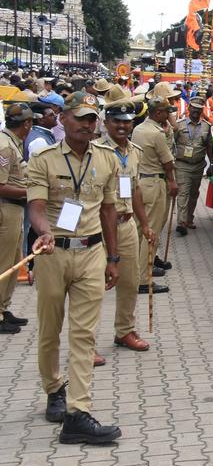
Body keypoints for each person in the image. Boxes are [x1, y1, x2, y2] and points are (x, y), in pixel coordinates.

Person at [28, 91, 124, 443]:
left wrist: (114, 258)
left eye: (91, 119)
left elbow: (109, 210)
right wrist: (44, 232)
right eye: (80, 118)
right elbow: (36, 206)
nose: (87, 124)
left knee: (84, 334)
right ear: (63, 119)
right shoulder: (44, 158)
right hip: (53, 254)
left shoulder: (107, 158)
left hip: (92, 252)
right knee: (50, 329)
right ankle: (54, 388)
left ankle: (77, 412)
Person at [98, 93, 158, 352]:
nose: (122, 126)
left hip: (127, 224)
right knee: (92, 287)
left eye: (127, 121)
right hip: (99, 227)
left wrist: (145, 224)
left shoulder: (135, 152)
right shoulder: (96, 151)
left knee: (130, 281)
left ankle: (124, 331)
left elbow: (134, 190)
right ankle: (85, 342)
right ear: (106, 123)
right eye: (116, 122)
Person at [131, 96, 178, 291]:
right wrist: (173, 181)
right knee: (152, 233)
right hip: (155, 182)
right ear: (158, 113)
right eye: (167, 111)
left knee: (141, 231)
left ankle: (138, 271)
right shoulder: (157, 133)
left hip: (142, 181)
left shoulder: (139, 129)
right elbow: (168, 163)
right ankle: (143, 279)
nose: (169, 115)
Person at [0, 103, 33, 334]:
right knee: (3, 262)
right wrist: (30, 192)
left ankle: (4, 307)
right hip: (6, 209)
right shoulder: (4, 147)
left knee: (13, 261)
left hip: (15, 209)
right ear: (27, 123)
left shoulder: (13, 141)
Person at [173, 97, 213, 237]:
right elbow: (171, 143)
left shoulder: (206, 127)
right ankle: (181, 223)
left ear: (202, 110)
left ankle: (189, 219)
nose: (196, 111)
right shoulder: (179, 125)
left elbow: (209, 147)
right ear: (189, 108)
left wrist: (212, 164)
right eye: (193, 108)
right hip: (182, 165)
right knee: (183, 192)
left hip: (198, 166)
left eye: (199, 109)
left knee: (194, 194)